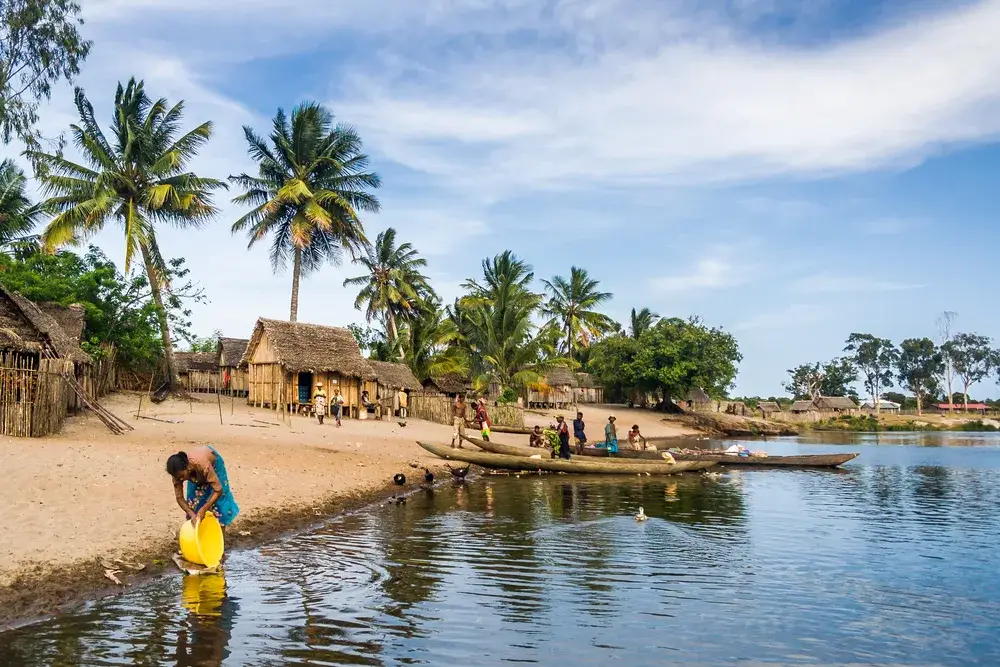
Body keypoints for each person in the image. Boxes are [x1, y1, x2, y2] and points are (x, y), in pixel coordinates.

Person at [166, 446, 239, 532]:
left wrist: (204, 509)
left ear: (188, 468)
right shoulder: (177, 474)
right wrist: (192, 514)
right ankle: (199, 535)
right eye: (178, 478)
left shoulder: (201, 464)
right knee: (194, 502)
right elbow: (179, 498)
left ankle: (220, 539)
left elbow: (218, 490)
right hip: (195, 474)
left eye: (182, 476)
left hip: (213, 466)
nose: (181, 479)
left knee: (219, 505)